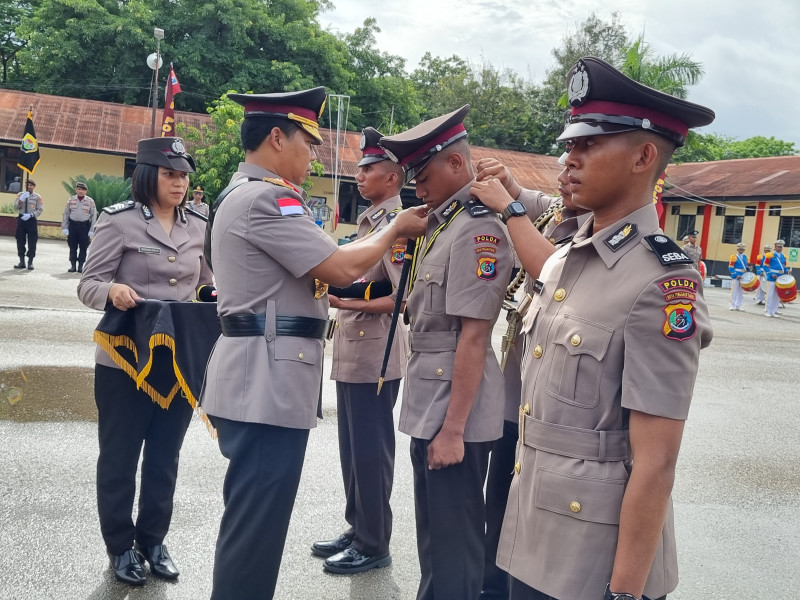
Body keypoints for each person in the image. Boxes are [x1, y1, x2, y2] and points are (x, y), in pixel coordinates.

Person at [470, 56, 714, 600]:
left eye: (588, 146)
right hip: (531, 535)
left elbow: (656, 460)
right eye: (570, 144)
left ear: (644, 157)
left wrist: (624, 592)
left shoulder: (661, 282)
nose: (569, 158)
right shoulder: (564, 259)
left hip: (595, 563)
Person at [199, 87, 426, 600]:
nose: (313, 153)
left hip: (261, 376)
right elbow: (342, 268)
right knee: (255, 531)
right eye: (308, 141)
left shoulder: (249, 194)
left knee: (254, 523)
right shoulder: (267, 198)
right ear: (277, 138)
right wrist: (395, 229)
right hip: (266, 381)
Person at [379, 105, 513, 600]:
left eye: (424, 173)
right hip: (430, 405)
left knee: (454, 547)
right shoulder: (440, 224)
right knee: (435, 540)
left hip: (456, 413)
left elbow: (473, 337)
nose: (416, 186)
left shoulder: (480, 229)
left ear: (457, 165)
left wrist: (453, 430)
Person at [76, 137, 212, 586]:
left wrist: (214, 295)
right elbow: (88, 284)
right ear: (148, 175)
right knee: (119, 458)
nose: (179, 182)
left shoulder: (198, 225)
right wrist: (110, 291)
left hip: (177, 363)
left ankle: (153, 540)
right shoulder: (119, 223)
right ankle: (119, 546)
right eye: (170, 174)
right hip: (126, 361)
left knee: (164, 457)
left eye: (183, 175)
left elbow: (205, 282)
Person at [476, 153, 591, 600]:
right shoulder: (563, 210)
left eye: (575, 169)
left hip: (555, 406)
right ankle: (491, 584)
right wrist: (510, 184)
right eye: (564, 167)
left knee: (534, 512)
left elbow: (554, 272)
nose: (563, 179)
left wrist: (509, 209)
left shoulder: (605, 231)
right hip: (518, 391)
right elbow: (540, 203)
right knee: (501, 496)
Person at [312, 127, 408, 575]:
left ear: (392, 178)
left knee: (371, 452)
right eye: (359, 169)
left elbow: (403, 297)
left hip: (379, 355)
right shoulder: (371, 222)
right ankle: (357, 526)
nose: (359, 176)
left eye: (368, 169)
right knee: (352, 450)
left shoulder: (398, 227)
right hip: (355, 351)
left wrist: (342, 301)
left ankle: (374, 542)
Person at [61, 181, 98, 273]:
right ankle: (73, 265)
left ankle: (81, 266)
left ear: (86, 191)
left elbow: (94, 216)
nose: (81, 191)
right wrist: (64, 227)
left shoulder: (90, 201)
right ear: (76, 190)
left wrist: (91, 229)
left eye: (83, 190)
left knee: (83, 247)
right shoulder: (71, 200)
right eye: (79, 189)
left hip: (84, 226)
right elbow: (66, 214)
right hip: (73, 226)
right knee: (72, 246)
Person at [13, 179, 43, 270]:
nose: (29, 187)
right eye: (27, 185)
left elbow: (40, 209)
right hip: (22, 219)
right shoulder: (20, 195)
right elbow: (15, 207)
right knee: (20, 240)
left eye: (31, 185)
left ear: (34, 186)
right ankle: (22, 261)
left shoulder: (38, 197)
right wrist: (21, 200)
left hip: (31, 220)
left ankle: (30, 262)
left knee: (32, 241)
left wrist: (31, 215)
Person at [763, 239, 789, 317]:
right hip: (772, 276)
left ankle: (773, 311)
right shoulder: (769, 255)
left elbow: (784, 266)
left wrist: (787, 271)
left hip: (780, 277)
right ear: (775, 247)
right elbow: (765, 266)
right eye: (778, 247)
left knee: (777, 295)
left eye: (781, 247)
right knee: (770, 294)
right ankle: (767, 311)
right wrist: (771, 273)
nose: (779, 248)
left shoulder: (784, 256)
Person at [728, 242, 748, 311]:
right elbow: (730, 267)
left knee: (740, 292)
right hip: (736, 275)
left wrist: (748, 269)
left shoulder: (745, 257)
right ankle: (731, 305)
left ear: (744, 250)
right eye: (740, 249)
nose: (741, 250)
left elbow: (745, 266)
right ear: (737, 249)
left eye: (742, 249)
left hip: (743, 275)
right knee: (734, 291)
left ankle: (738, 305)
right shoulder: (734, 257)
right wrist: (736, 275)